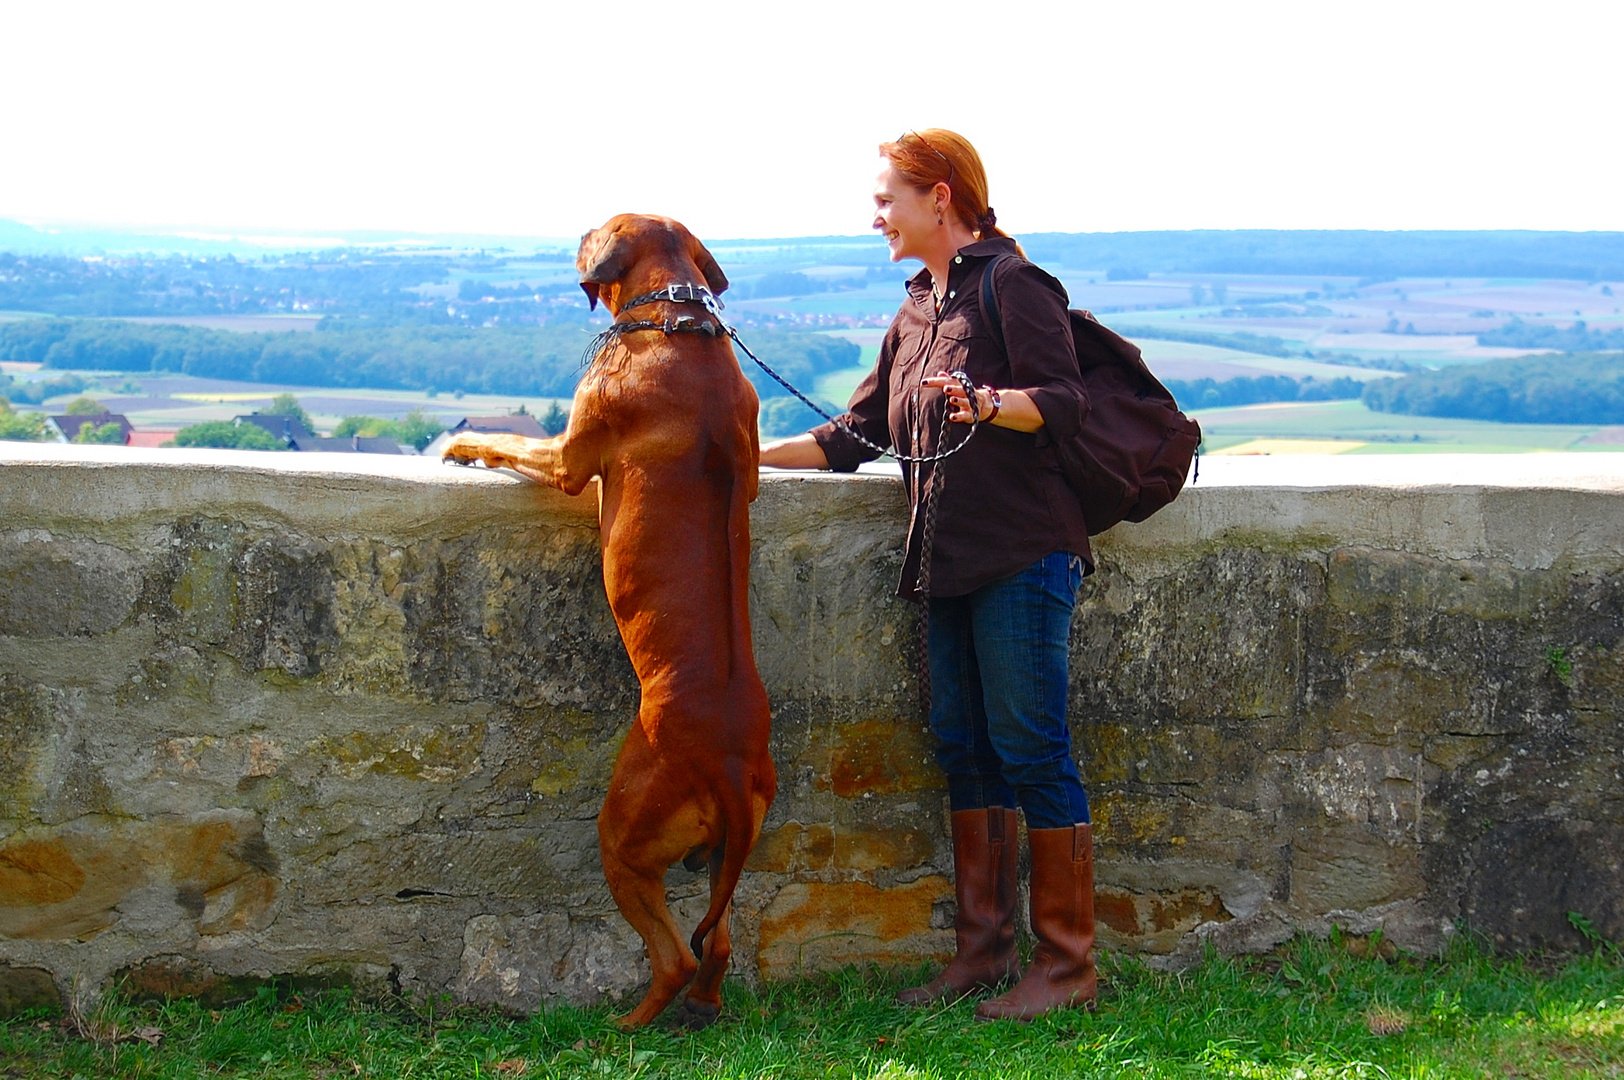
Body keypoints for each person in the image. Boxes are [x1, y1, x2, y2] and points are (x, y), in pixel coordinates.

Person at [759, 129, 1097, 1022]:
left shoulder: (1012, 286)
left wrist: (987, 403)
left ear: (939, 196)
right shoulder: (916, 309)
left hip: (1023, 553)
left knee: (1031, 748)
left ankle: (1066, 969)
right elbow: (853, 436)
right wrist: (741, 458)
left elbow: (1065, 403)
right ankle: (983, 956)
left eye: (887, 199)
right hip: (943, 559)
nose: (876, 216)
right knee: (965, 749)